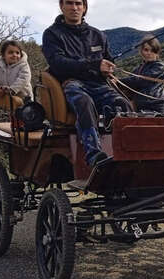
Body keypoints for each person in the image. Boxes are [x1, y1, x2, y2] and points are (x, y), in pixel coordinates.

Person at [42, 0, 131, 166]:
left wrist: (109, 67)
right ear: (62, 6)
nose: (74, 8)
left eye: (78, 4)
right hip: (71, 83)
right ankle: (94, 155)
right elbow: (58, 63)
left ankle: (127, 153)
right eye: (69, 3)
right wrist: (94, 65)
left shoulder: (98, 35)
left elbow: (108, 59)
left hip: (98, 84)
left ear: (85, 8)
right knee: (83, 102)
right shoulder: (52, 34)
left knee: (122, 104)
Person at [121, 36, 164, 114]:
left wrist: (117, 81)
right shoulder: (137, 69)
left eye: (153, 50)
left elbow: (141, 80)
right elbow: (130, 83)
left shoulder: (159, 66)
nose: (149, 53)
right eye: (146, 50)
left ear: (157, 52)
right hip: (140, 107)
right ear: (141, 51)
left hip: (156, 105)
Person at [0, 40, 33, 111]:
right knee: (13, 115)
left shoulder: (23, 65)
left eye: (17, 53)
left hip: (24, 98)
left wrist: (12, 89)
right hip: (9, 100)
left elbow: (24, 78)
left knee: (24, 118)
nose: (14, 55)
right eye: (11, 52)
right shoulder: (0, 68)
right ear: (3, 56)